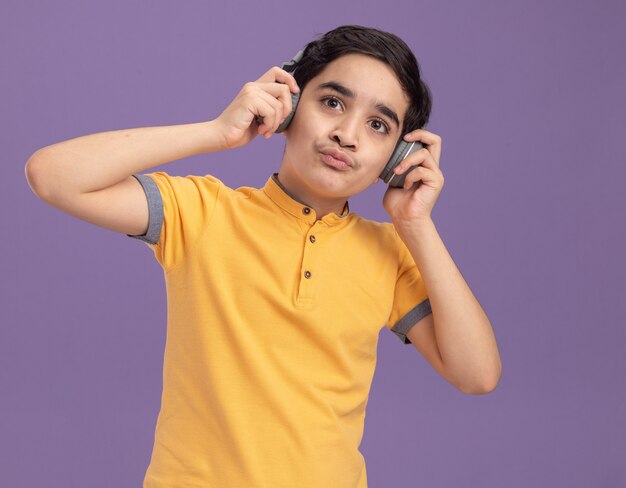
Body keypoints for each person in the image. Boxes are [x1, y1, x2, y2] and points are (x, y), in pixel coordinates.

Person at [25, 25, 501, 488]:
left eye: (378, 125)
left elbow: (477, 374)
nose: (348, 135)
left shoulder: (389, 252)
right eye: (332, 102)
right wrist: (216, 132)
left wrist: (416, 224)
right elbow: (52, 176)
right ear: (289, 104)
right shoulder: (202, 212)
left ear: (397, 158)